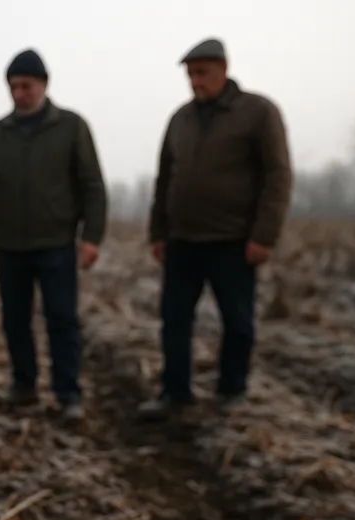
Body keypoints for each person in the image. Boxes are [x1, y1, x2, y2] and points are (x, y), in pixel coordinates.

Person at [0, 48, 108, 424]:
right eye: (13, 86)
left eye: (26, 85)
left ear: (43, 84)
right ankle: (24, 385)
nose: (19, 92)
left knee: (62, 319)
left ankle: (68, 395)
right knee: (15, 320)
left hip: (57, 244)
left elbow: (92, 185)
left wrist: (92, 236)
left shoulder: (72, 127)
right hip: (9, 244)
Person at [138, 37, 293, 421]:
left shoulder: (258, 112)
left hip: (233, 240)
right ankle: (175, 392)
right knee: (174, 319)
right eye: (190, 75)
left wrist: (264, 236)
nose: (195, 82)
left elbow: (278, 176)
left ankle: (231, 391)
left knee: (237, 322)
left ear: (224, 69)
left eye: (202, 73)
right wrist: (158, 232)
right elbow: (164, 178)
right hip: (182, 241)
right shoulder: (180, 119)